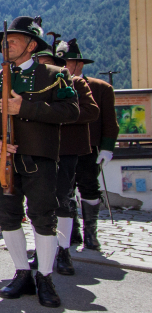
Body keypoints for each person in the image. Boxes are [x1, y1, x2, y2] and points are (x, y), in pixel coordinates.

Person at [0, 16, 80, 308]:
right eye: (5, 41)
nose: (7, 44)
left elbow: (71, 111)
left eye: (14, 40)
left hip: (39, 159)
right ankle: (21, 272)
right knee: (7, 217)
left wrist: (24, 107)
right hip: (1, 161)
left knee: (43, 218)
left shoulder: (55, 74)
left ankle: (45, 276)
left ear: (31, 45)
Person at [34, 41, 98, 275]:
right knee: (39, 200)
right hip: (39, 147)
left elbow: (92, 111)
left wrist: (57, 112)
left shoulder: (75, 82)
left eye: (46, 64)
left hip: (65, 149)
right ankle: (42, 248)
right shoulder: (32, 85)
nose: (42, 68)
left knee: (63, 199)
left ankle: (63, 250)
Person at [61, 39, 119, 251]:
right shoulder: (54, 84)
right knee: (65, 191)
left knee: (89, 188)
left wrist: (107, 147)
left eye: (67, 62)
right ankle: (72, 232)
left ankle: (91, 233)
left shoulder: (101, 88)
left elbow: (110, 122)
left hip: (89, 148)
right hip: (63, 148)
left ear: (79, 65)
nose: (64, 67)